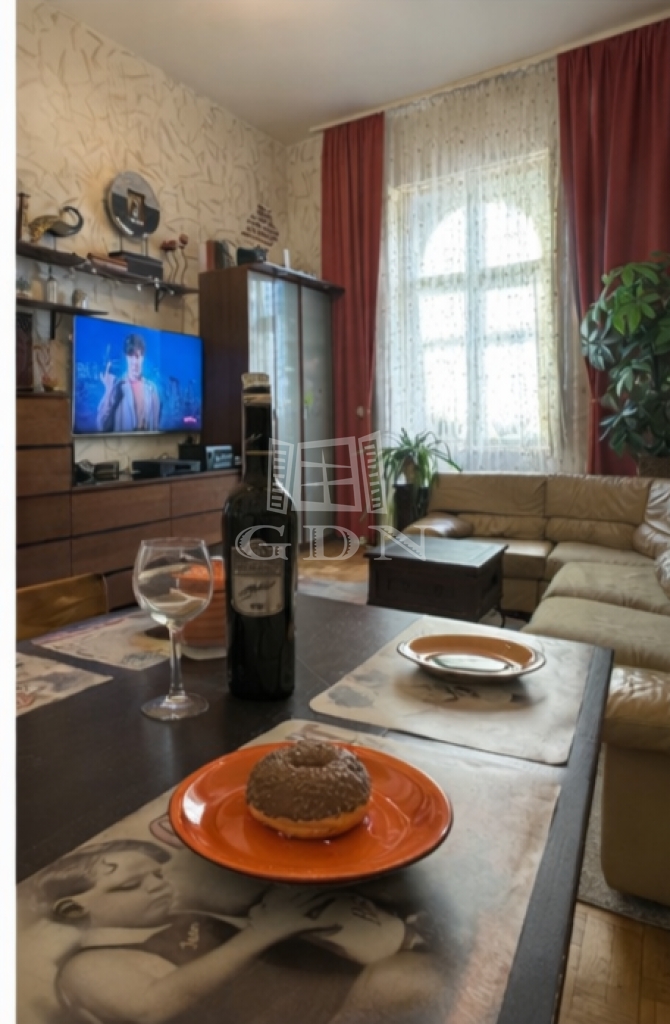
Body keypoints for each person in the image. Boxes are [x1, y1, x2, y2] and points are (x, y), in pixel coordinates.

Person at [32, 838, 444, 1024]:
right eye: (129, 885)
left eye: (157, 875)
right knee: (407, 981)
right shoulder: (85, 967)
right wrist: (265, 930)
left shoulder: (180, 920)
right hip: (325, 1012)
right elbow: (150, 1007)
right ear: (73, 908)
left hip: (328, 991)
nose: (157, 885)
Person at [96, 333, 160, 432]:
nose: (134, 362)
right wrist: (108, 390)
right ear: (126, 357)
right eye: (131, 356)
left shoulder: (152, 390)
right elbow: (101, 425)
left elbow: (156, 427)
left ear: (143, 358)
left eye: (137, 356)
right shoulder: (117, 387)